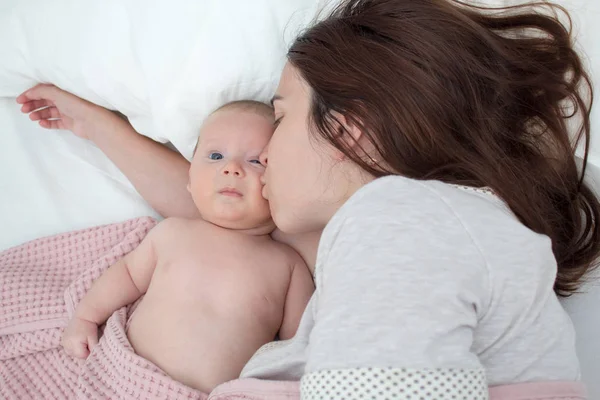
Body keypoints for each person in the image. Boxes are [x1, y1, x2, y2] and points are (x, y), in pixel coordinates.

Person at [17, 0, 600, 398]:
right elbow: (210, 211)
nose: (257, 165)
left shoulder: (403, 219)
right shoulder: (400, 233)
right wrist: (100, 126)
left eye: (280, 117)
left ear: (344, 132)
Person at [57, 101, 315, 394]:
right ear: (190, 180)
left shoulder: (289, 266)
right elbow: (127, 275)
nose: (231, 168)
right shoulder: (173, 233)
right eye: (216, 156)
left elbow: (297, 350)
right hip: (124, 380)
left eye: (256, 161)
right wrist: (86, 317)